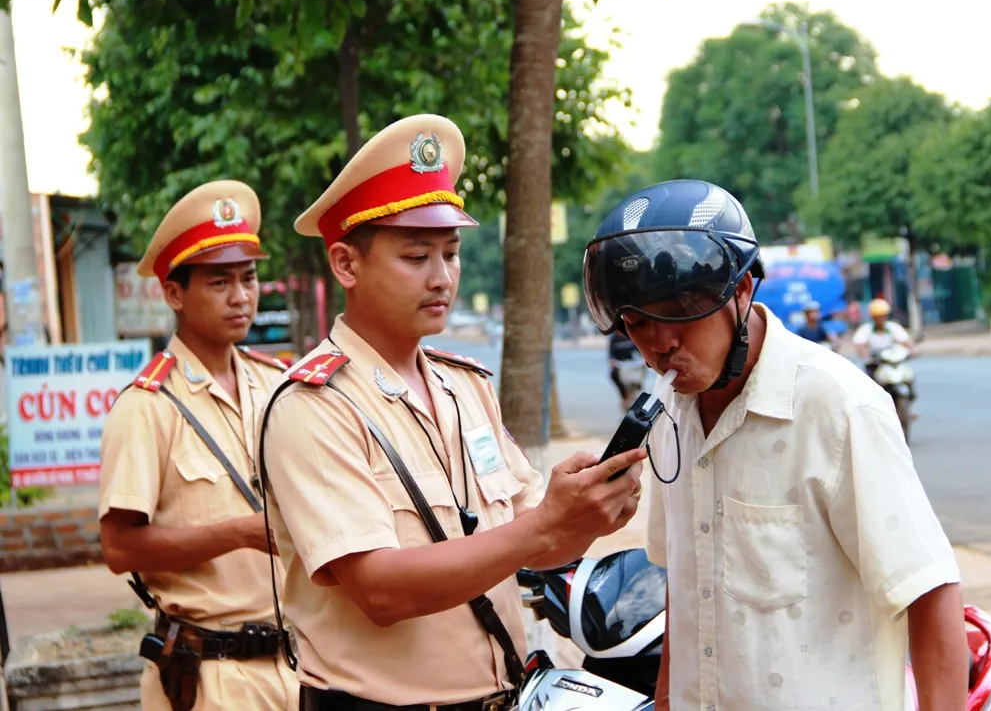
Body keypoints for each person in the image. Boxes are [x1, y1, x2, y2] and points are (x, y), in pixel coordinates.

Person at [257, 114, 645, 710]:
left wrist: (584, 515)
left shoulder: (464, 387)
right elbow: (379, 591)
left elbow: (526, 547)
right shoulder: (314, 405)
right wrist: (543, 526)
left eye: (451, 252)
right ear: (346, 264)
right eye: (416, 256)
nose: (442, 278)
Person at [581, 178, 967, 711]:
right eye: (638, 321)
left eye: (680, 312)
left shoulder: (837, 407)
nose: (659, 343)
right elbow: (687, 590)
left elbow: (929, 593)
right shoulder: (670, 418)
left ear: (741, 291)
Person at [97, 181, 300, 711]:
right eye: (219, 282)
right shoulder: (148, 405)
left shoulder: (277, 383)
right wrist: (234, 534)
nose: (241, 296)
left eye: (248, 278)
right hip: (211, 674)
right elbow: (120, 548)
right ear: (173, 293)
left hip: (300, 662)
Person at [854, 297, 913, 375]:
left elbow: (905, 342)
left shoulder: (893, 327)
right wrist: (867, 358)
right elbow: (860, 346)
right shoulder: (865, 329)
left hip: (892, 361)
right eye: (878, 316)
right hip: (875, 364)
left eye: (883, 315)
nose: (881, 318)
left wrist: (912, 351)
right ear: (873, 317)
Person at [609, 329, 645, 411]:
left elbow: (639, 351)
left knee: (643, 370)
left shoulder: (629, 337)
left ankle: (638, 387)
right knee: (613, 374)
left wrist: (643, 359)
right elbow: (611, 356)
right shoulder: (614, 339)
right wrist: (612, 363)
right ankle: (624, 396)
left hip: (631, 363)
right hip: (620, 364)